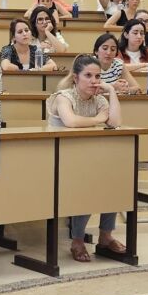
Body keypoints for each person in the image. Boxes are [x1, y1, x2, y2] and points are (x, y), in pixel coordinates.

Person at [46, 54, 122, 261]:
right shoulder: (63, 97)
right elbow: (71, 122)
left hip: (86, 157)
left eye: (97, 76)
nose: (94, 81)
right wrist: (97, 119)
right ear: (75, 78)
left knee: (112, 180)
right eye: (88, 75)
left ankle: (105, 236)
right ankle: (77, 240)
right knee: (88, 181)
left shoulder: (99, 99)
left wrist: (112, 91)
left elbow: (115, 122)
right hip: (58, 157)